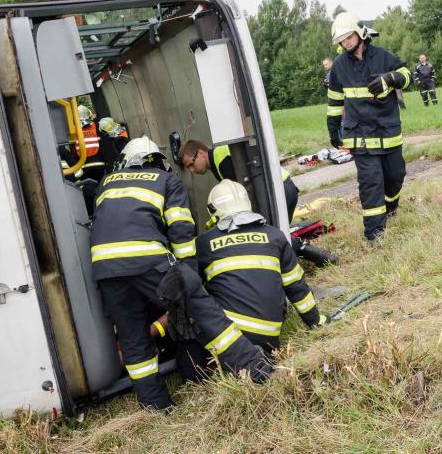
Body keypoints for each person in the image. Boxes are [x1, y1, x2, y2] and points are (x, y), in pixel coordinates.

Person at [91, 136, 270, 409]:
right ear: (158, 162)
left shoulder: (105, 184)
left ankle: (156, 405)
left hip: (105, 269)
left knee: (133, 337)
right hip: (147, 258)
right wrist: (189, 278)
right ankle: (255, 368)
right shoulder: (166, 180)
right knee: (203, 310)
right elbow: (181, 231)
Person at [195, 180, 326, 356]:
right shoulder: (274, 236)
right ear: (247, 204)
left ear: (213, 210)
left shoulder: (204, 243)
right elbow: (296, 286)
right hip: (269, 334)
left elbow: (194, 290)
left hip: (229, 334)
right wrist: (315, 321)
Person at [326, 11, 410, 242]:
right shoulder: (339, 67)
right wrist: (333, 128)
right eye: (341, 40)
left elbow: (407, 74)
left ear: (359, 32)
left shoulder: (383, 56)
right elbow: (334, 100)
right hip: (359, 135)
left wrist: (390, 79)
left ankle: (391, 207)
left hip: (388, 132)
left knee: (395, 176)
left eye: (348, 36)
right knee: (371, 182)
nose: (346, 42)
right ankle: (375, 233)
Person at [179, 139, 300, 224]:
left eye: (191, 164)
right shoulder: (218, 158)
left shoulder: (223, 162)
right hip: (285, 185)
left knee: (270, 239)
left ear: (201, 153)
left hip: (277, 191)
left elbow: (244, 194)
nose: (192, 170)